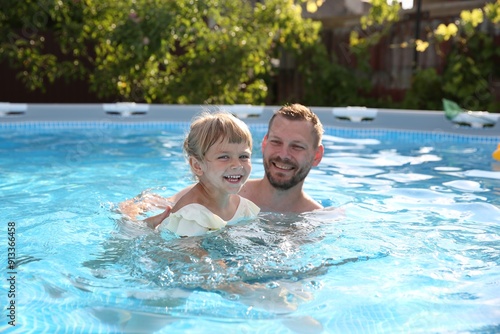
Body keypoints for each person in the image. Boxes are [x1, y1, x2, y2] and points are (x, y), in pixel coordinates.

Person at [119, 103, 324, 227]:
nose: (283, 154)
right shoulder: (217, 191)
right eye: (276, 142)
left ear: (316, 156)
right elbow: (140, 207)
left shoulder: (318, 220)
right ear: (264, 144)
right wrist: (137, 226)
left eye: (297, 146)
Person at [151, 111, 260, 236]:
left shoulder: (242, 207)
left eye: (243, 156)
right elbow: (190, 254)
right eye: (224, 157)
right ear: (197, 165)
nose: (237, 165)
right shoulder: (192, 215)